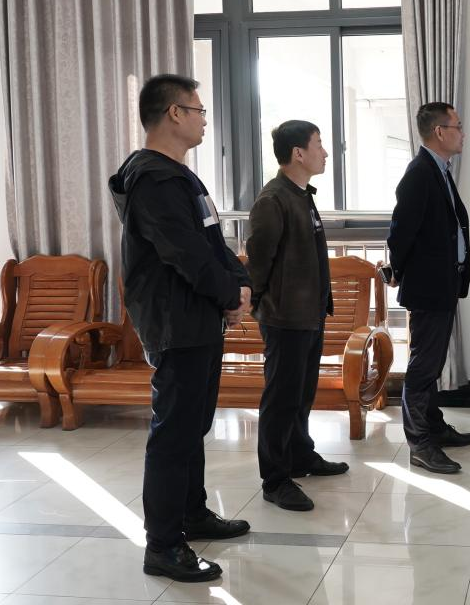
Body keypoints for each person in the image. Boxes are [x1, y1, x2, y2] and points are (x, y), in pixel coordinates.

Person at [109, 74, 252, 582]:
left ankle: (192, 513)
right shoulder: (154, 180)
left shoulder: (181, 176)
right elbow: (184, 254)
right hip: (177, 321)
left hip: (198, 318)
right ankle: (163, 545)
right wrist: (228, 296)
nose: (204, 120)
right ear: (174, 113)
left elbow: (212, 243)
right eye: (198, 110)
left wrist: (239, 286)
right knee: (174, 433)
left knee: (193, 425)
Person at [245, 120, 348, 511]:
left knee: (302, 394)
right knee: (281, 399)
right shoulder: (273, 200)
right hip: (284, 317)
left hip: (308, 314)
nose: (325, 152)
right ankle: (275, 479)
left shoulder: (302, 195)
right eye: (318, 145)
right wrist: (259, 305)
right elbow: (259, 262)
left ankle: (300, 455)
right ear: (298, 153)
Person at [385, 102, 470, 474]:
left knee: (433, 362)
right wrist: (398, 271)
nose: (463, 133)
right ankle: (419, 443)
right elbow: (400, 233)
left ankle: (434, 426)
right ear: (440, 132)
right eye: (458, 126)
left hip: (443, 283)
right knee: (423, 366)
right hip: (427, 287)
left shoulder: (439, 169)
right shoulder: (419, 173)